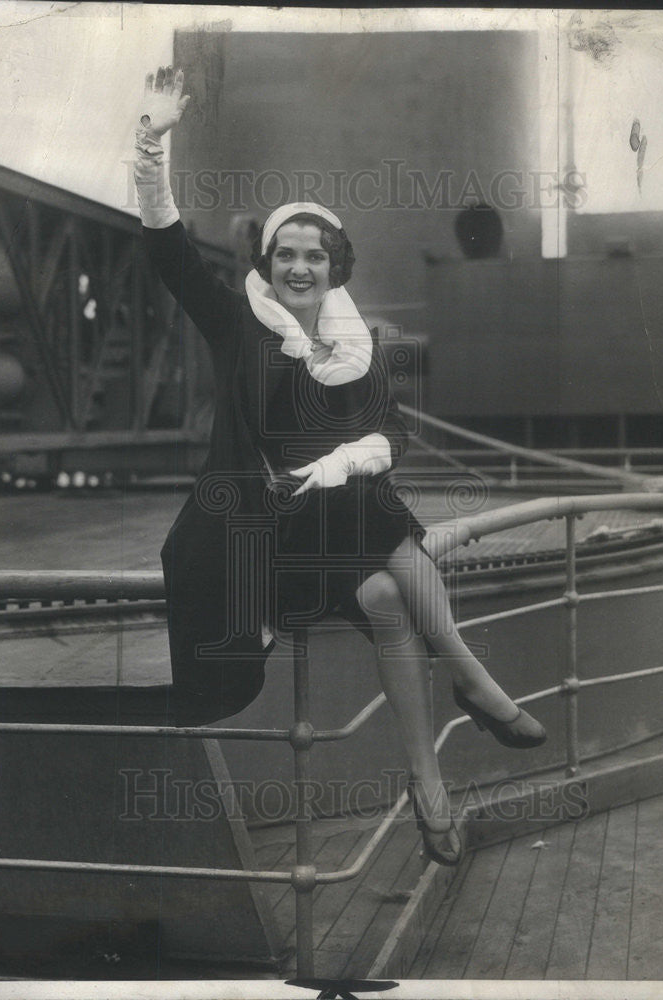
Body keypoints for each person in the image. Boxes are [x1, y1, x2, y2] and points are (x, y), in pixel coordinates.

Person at [134, 66, 546, 867]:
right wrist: (152, 140)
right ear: (266, 260)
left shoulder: (358, 346)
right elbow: (166, 249)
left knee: (389, 585)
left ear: (334, 266)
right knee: (371, 513)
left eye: (312, 257)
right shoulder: (235, 324)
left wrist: (344, 460)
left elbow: (388, 432)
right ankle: (471, 678)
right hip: (266, 541)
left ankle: (429, 791)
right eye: (283, 254)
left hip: (346, 538)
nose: (297, 268)